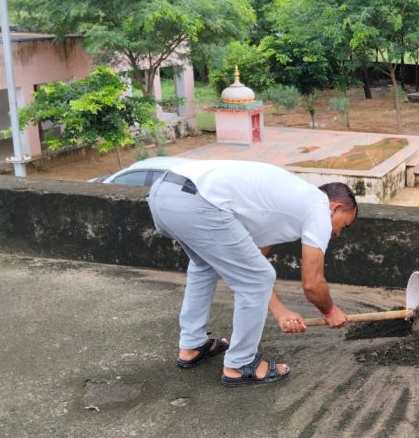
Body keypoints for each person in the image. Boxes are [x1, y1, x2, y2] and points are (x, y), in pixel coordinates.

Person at [147, 159, 357, 387]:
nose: (337, 233)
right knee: (256, 277)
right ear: (335, 208)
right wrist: (330, 311)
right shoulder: (319, 206)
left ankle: (192, 345)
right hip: (199, 201)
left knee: (204, 266)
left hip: (164, 192)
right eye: (343, 225)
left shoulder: (285, 201)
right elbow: (312, 284)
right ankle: (240, 364)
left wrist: (281, 313)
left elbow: (253, 265)